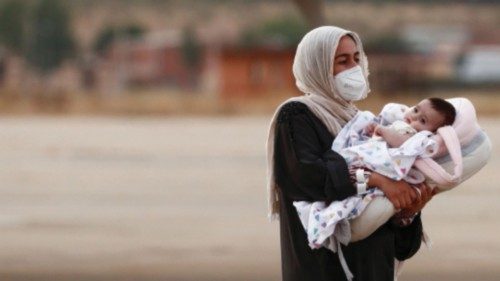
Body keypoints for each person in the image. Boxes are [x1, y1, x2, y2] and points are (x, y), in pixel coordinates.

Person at [266, 26, 434, 281]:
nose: (354, 68)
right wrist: (377, 180)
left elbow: (398, 244)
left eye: (356, 58)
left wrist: (406, 212)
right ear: (317, 67)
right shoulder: (297, 116)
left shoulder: (366, 126)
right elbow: (307, 177)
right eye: (342, 61)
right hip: (321, 271)